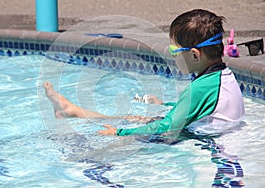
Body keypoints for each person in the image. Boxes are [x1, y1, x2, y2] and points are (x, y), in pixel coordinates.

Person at [43, 9, 245, 139]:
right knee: (140, 119)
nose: (172, 56)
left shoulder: (200, 88)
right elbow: (205, 109)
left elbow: (167, 128)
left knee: (120, 140)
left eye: (175, 51)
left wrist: (121, 133)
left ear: (194, 55)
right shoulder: (221, 77)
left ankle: (75, 114)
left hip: (204, 143)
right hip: (207, 135)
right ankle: (74, 112)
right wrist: (166, 105)